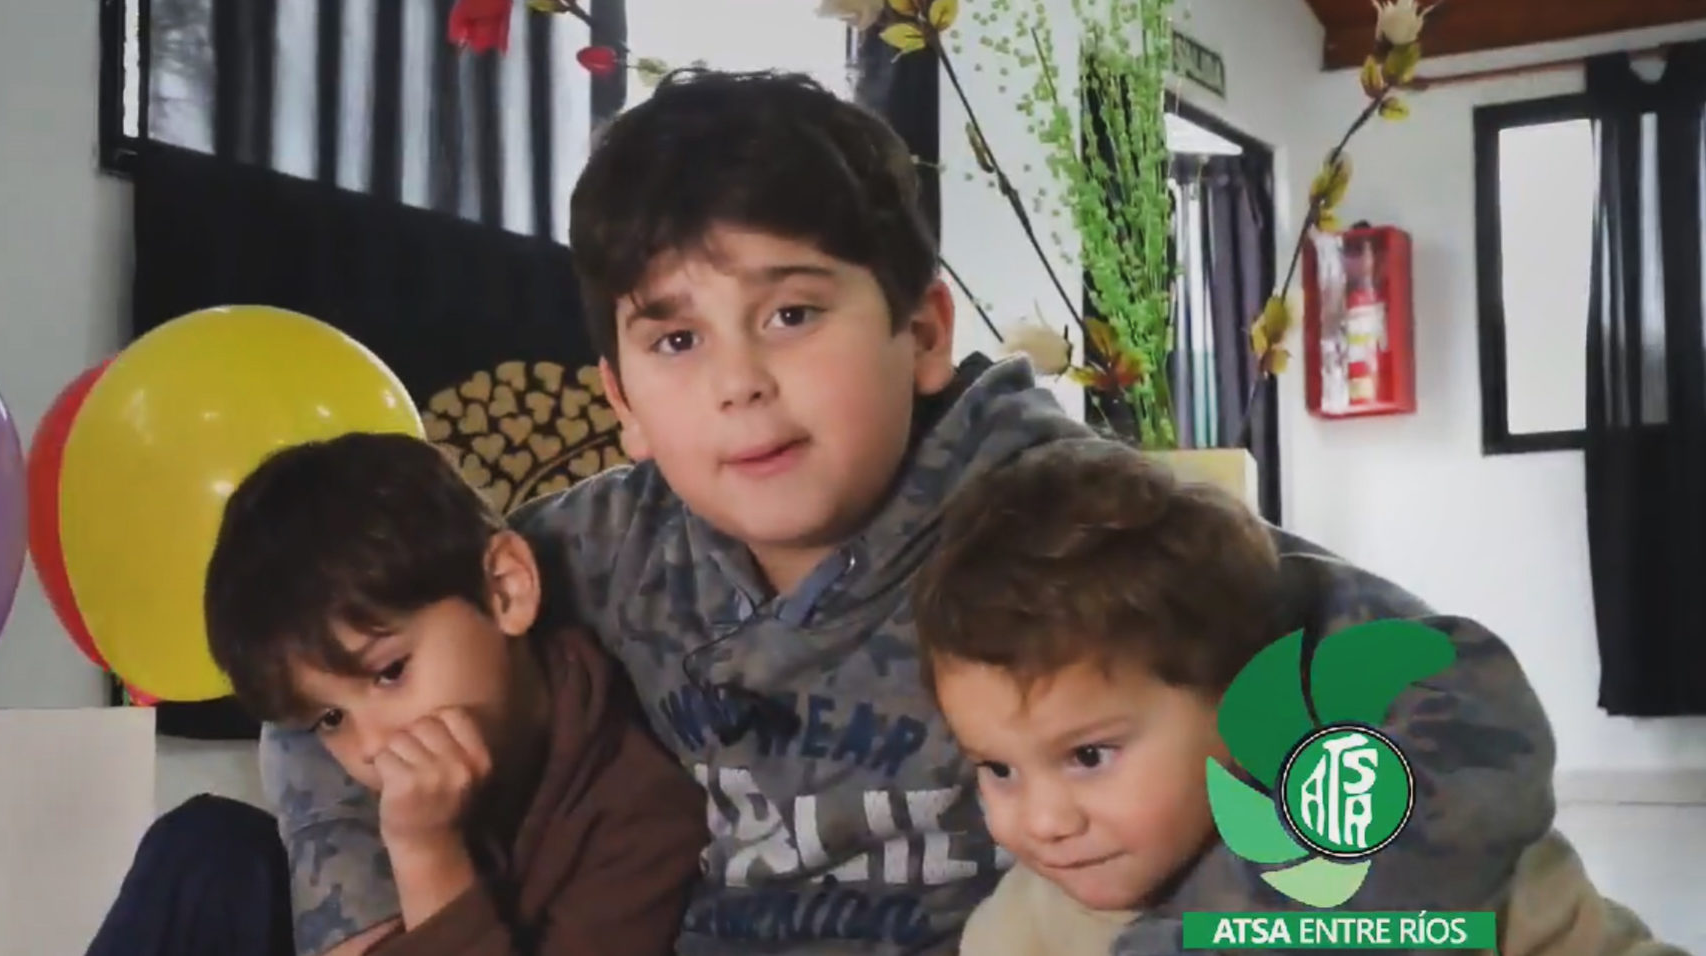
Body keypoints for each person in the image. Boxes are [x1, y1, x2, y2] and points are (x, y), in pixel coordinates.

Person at [260, 69, 1555, 956]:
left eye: (792, 312)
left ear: (923, 330)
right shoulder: (599, 549)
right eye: (676, 340)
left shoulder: (1060, 515)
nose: (738, 382)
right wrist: (358, 912)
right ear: (621, 399)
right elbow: (330, 659)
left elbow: (1446, 696)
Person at [911, 441, 1682, 956]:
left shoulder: (1423, 856)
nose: (1044, 821)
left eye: (1088, 756)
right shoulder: (1014, 934)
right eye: (998, 770)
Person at [198, 432, 708, 956]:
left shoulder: (642, 821)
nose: (371, 746)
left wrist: (428, 856)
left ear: (505, 589)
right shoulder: (381, 786)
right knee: (200, 845)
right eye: (330, 718)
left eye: (390, 672)